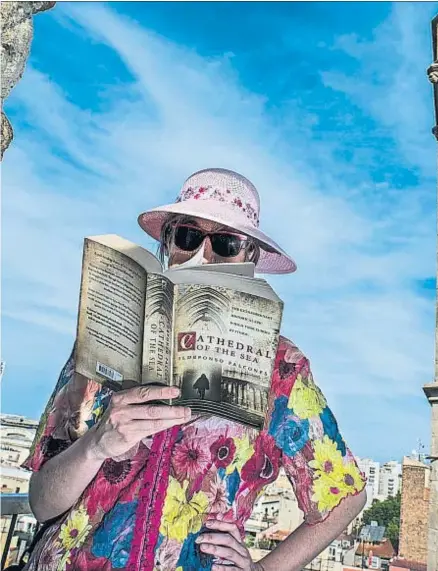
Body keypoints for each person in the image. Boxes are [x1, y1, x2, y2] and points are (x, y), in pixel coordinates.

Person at [21, 168, 367, 571]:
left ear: (249, 258)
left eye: (225, 243)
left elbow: (345, 496)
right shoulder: (104, 340)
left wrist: (261, 569)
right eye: (187, 236)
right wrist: (97, 443)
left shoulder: (282, 371)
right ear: (167, 244)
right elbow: (41, 502)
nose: (203, 256)